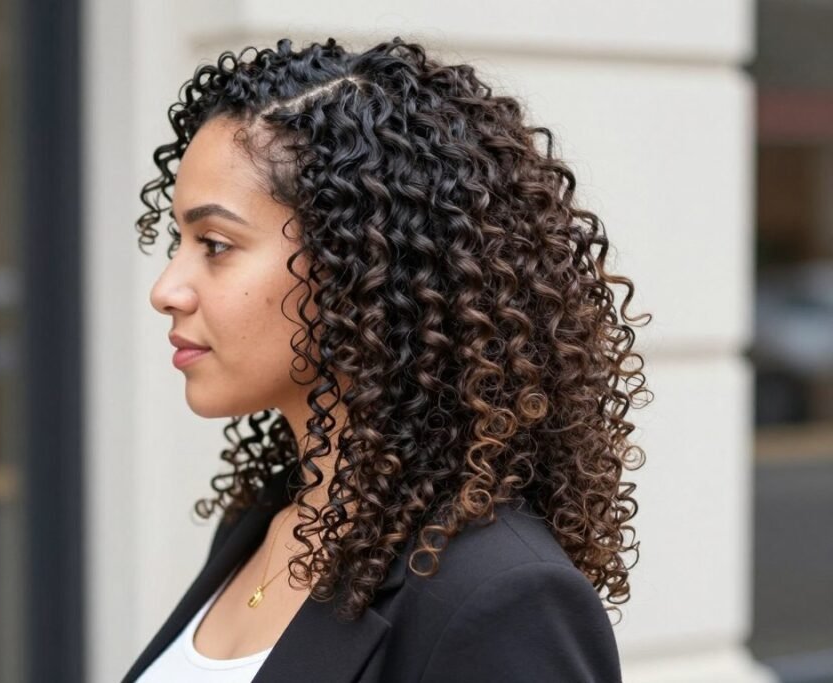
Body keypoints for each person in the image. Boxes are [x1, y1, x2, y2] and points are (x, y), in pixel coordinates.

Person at [122, 35, 652, 683]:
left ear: (361, 266)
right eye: (179, 239)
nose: (166, 290)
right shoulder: (262, 520)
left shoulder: (499, 595)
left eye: (215, 243)